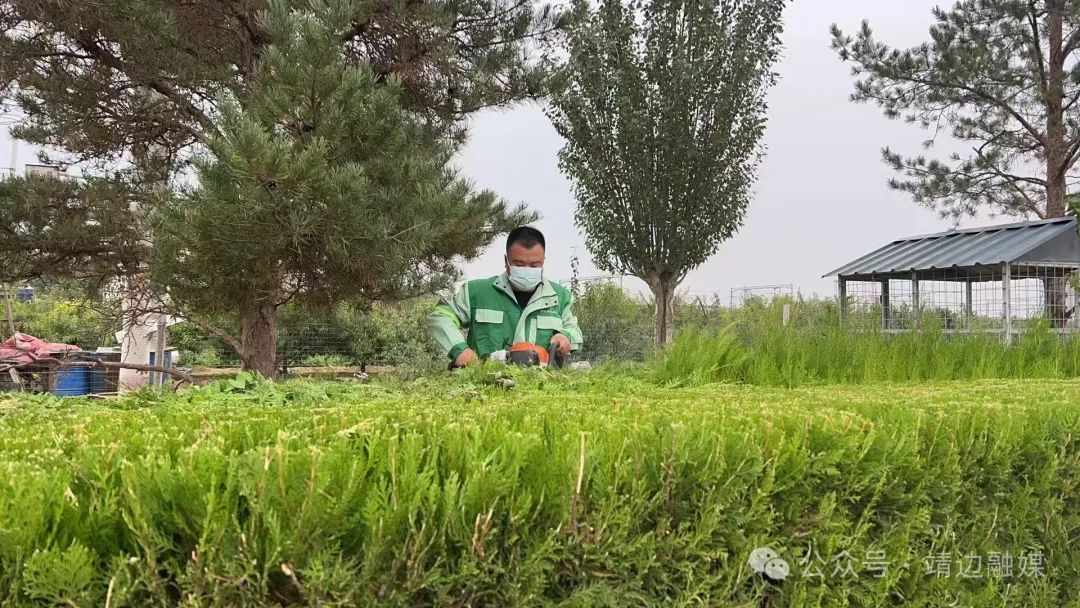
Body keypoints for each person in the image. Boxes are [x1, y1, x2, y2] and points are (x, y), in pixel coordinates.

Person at [427, 226, 583, 367]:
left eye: (534, 265)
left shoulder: (560, 297)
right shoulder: (477, 292)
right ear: (506, 261)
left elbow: (574, 331)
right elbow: (440, 316)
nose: (527, 269)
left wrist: (566, 337)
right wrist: (460, 350)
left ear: (543, 262)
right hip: (484, 388)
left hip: (541, 391)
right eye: (519, 264)